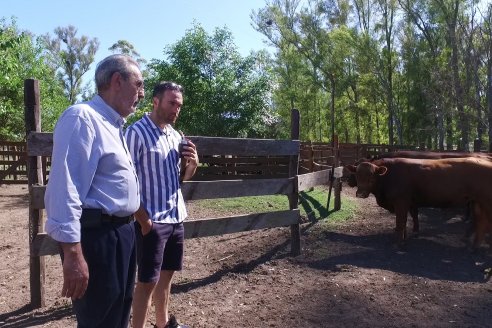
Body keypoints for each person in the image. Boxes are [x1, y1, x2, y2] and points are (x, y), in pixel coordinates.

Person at [44, 54, 144, 327]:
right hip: (98, 238)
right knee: (99, 320)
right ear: (116, 81)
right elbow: (64, 190)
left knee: (119, 314)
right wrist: (73, 254)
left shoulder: (112, 125)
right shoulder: (82, 118)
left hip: (123, 233)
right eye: (139, 84)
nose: (142, 93)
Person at [125, 81, 198, 328]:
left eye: (179, 105)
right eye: (171, 103)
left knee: (166, 277)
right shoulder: (136, 133)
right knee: (146, 281)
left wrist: (192, 165)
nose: (176, 109)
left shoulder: (175, 135)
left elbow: (181, 179)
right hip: (152, 220)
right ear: (155, 101)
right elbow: (126, 179)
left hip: (176, 217)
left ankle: (162, 324)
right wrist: (144, 221)